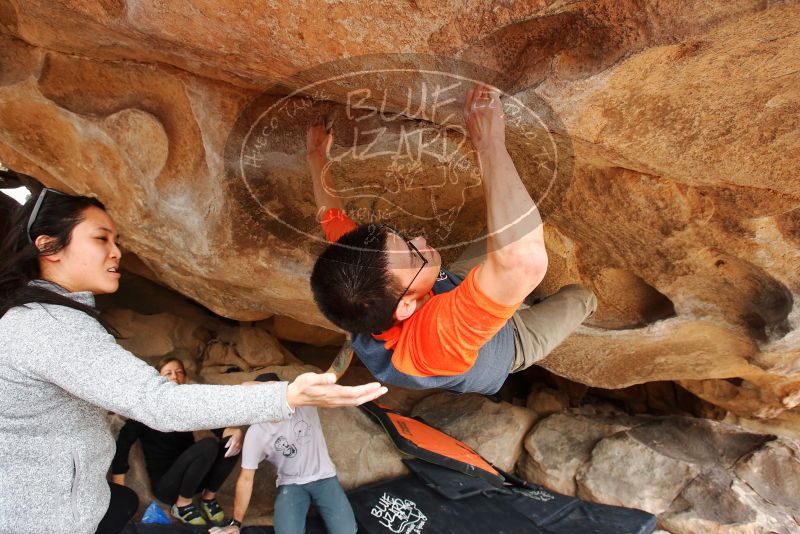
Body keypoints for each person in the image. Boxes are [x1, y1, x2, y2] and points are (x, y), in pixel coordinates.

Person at [0, 188, 387, 534]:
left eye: (116, 239)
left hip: (79, 505)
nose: (117, 251)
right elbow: (158, 403)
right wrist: (285, 396)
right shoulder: (45, 327)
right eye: (101, 238)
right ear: (48, 246)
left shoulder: (56, 317)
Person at [308, 85, 597, 395]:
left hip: (455, 287)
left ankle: (505, 296)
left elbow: (332, 219)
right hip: (508, 342)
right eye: (413, 254)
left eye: (404, 239)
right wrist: (487, 143)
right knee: (579, 297)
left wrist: (315, 158)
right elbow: (523, 262)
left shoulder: (358, 275)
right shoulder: (432, 344)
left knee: (505, 227)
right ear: (406, 305)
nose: (419, 240)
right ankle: (529, 302)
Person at [209, 373, 357, 534]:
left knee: (346, 531)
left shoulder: (304, 405)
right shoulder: (257, 432)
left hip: (324, 478)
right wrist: (236, 523)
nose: (269, 401)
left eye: (274, 393)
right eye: (263, 397)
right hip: (291, 485)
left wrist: (280, 390)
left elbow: (327, 380)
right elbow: (245, 479)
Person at [111, 357, 245, 526]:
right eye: (168, 373)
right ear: (157, 380)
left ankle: (208, 498)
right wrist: (119, 488)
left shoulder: (186, 406)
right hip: (167, 487)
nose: (174, 376)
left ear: (185, 378)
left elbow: (215, 425)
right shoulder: (145, 411)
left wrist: (233, 432)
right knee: (208, 446)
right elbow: (123, 445)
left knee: (231, 443)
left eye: (179, 372)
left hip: (195, 480)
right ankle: (182, 506)